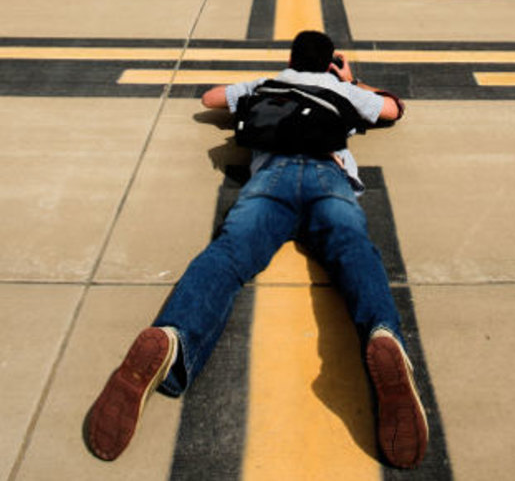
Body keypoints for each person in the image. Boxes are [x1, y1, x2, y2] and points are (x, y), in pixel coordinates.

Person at [85, 30, 429, 468]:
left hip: (270, 179)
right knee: (356, 253)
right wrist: (352, 80)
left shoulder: (267, 84)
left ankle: (173, 337)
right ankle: (383, 334)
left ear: (291, 57)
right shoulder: (340, 87)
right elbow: (393, 110)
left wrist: (257, 86)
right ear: (328, 62)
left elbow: (210, 99)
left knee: (226, 258)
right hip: (329, 176)